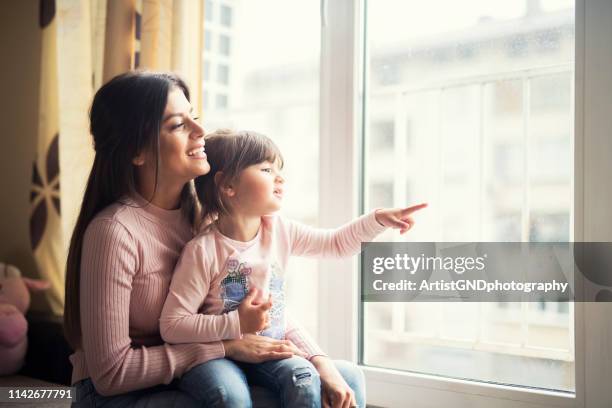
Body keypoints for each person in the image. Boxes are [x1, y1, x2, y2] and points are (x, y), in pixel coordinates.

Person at [63, 71, 308, 407]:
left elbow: (262, 304)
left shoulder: (207, 220)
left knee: (322, 384)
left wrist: (318, 359)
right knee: (230, 399)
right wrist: (224, 346)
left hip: (187, 375)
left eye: (194, 117)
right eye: (179, 125)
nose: (200, 131)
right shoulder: (114, 232)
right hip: (114, 393)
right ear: (137, 151)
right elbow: (111, 374)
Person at [159, 129, 428, 407]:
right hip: (217, 355)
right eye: (266, 169)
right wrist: (236, 324)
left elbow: (335, 244)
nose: (280, 178)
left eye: (279, 169)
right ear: (228, 185)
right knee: (229, 396)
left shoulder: (279, 229)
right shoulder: (202, 251)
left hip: (269, 349)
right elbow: (172, 325)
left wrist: (378, 220)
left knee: (305, 376)